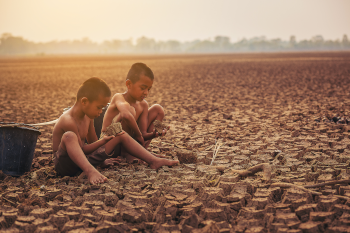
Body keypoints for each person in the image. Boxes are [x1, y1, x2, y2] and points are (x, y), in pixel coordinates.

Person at [52, 77, 178, 184]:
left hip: (84, 159)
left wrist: (101, 158)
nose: (100, 112)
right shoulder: (68, 120)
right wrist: (102, 143)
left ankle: (153, 161)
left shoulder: (87, 116)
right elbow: (82, 149)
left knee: (120, 134)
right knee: (69, 136)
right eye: (99, 107)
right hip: (66, 166)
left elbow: (93, 143)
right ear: (84, 101)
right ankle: (90, 172)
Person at [102, 63, 168, 163]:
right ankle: (127, 154)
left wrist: (154, 134)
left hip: (133, 143)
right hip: (111, 144)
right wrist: (138, 135)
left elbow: (143, 134)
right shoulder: (118, 97)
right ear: (128, 84)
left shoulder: (143, 105)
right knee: (130, 110)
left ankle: (142, 152)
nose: (146, 92)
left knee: (158, 109)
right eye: (142, 88)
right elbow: (126, 116)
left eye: (148, 89)